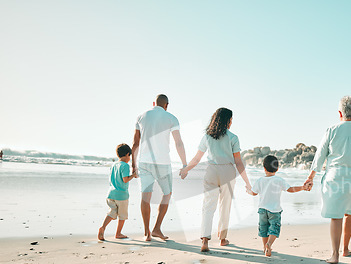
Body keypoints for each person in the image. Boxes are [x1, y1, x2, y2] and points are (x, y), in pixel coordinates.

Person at [304, 96, 351, 264]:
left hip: (335, 178)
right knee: (350, 212)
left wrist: (310, 177)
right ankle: (345, 249)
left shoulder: (332, 130)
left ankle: (335, 255)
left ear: (340, 113)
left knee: (336, 216)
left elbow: (320, 156)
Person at [180, 107, 252, 252]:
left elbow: (197, 158)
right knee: (225, 207)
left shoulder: (207, 136)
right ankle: (222, 239)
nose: (231, 122)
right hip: (228, 172)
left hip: (211, 171)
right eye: (231, 119)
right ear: (227, 120)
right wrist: (247, 182)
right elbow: (238, 162)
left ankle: (205, 241)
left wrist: (185, 169)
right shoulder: (233, 137)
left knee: (208, 206)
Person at [132, 94, 187, 241]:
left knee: (145, 197)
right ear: (166, 105)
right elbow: (178, 143)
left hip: (144, 162)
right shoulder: (172, 118)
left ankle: (147, 233)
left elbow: (135, 143)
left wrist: (133, 164)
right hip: (162, 163)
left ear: (153, 103)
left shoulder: (141, 117)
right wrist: (184, 164)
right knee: (167, 194)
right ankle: (157, 228)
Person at [248, 155, 307, 257]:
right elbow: (290, 189)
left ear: (264, 168)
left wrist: (248, 190)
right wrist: (302, 187)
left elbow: (253, 193)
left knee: (264, 229)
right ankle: (269, 244)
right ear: (277, 168)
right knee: (274, 229)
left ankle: (265, 248)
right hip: (274, 210)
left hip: (262, 210)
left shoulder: (260, 180)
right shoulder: (279, 180)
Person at [98, 144, 137, 241]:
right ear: (128, 154)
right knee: (122, 215)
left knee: (112, 212)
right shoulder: (125, 166)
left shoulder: (114, 165)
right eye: (130, 156)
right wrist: (133, 175)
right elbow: (125, 179)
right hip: (121, 195)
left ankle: (103, 227)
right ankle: (118, 233)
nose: (129, 159)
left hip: (110, 194)